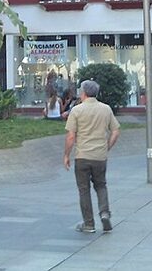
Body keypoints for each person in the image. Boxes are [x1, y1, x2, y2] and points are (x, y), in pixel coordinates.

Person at [63, 79, 121, 234]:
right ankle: (104, 213)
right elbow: (116, 131)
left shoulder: (76, 111)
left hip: (82, 156)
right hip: (100, 156)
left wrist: (66, 155)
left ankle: (89, 224)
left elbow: (71, 137)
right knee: (101, 185)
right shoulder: (106, 109)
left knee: (84, 189)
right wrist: (107, 146)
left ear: (83, 93)